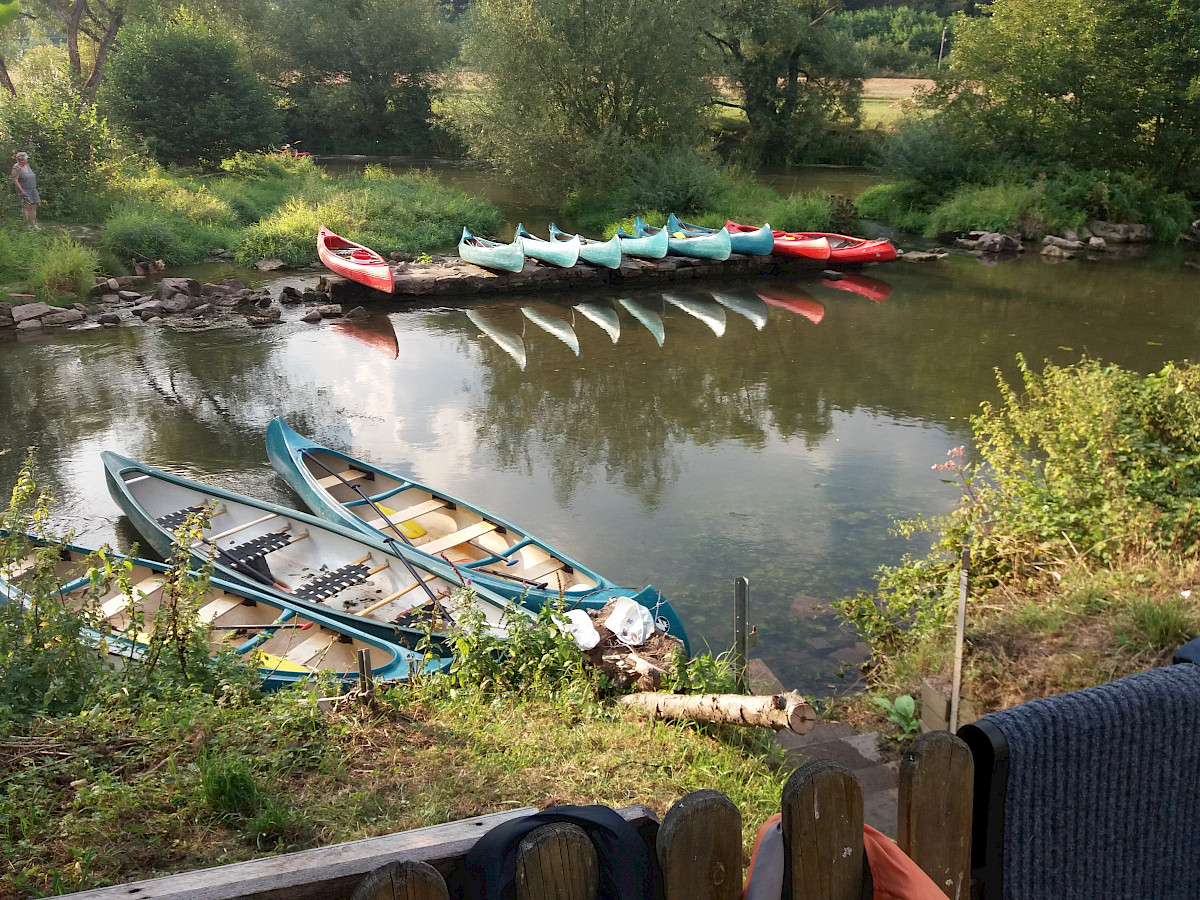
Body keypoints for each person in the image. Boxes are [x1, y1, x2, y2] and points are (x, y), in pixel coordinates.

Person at [12, 151, 40, 230]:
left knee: (34, 206)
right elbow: (15, 180)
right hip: (24, 190)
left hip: (32, 188)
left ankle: (34, 224)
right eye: (25, 159)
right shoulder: (16, 168)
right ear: (21, 160)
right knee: (26, 207)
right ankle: (27, 226)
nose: (26, 160)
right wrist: (22, 191)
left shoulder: (27, 165)